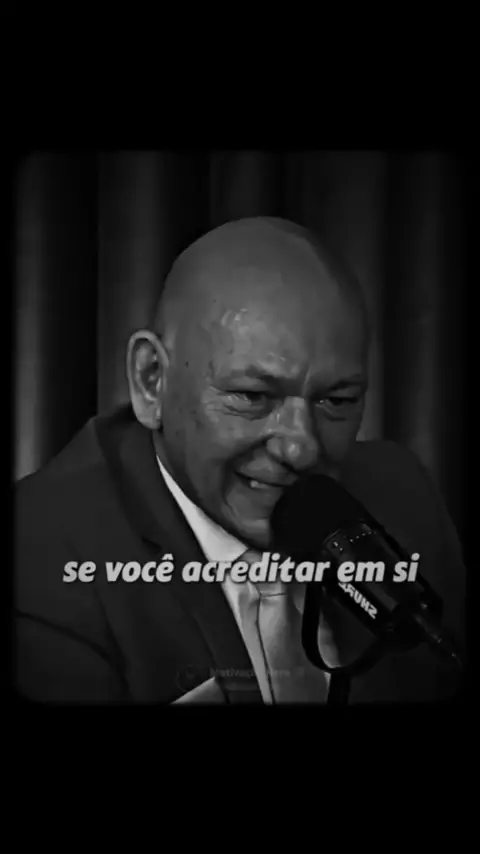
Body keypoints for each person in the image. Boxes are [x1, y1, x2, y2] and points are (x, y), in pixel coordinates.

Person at [14, 217, 466, 704]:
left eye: (336, 401)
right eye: (252, 396)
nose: (301, 447)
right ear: (151, 381)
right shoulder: (38, 555)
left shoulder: (402, 496)